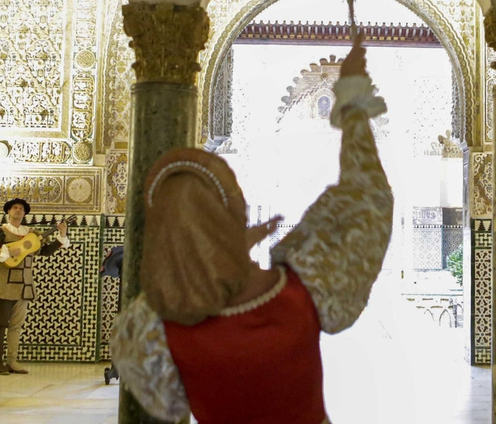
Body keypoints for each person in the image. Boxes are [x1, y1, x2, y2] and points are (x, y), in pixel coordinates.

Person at [110, 35, 393, 424]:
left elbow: (170, 406)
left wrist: (229, 248)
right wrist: (353, 101)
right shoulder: (300, 290)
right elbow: (365, 196)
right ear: (233, 216)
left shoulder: (147, 326)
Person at [0, 198, 69, 375]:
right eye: (15, 207)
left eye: (21, 208)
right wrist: (6, 251)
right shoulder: (0, 232)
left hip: (25, 286)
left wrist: (62, 236)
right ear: (8, 211)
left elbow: (44, 251)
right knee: (0, 325)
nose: (18, 210)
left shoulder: (31, 233)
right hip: (5, 285)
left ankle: (12, 361)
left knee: (16, 326)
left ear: (25, 213)